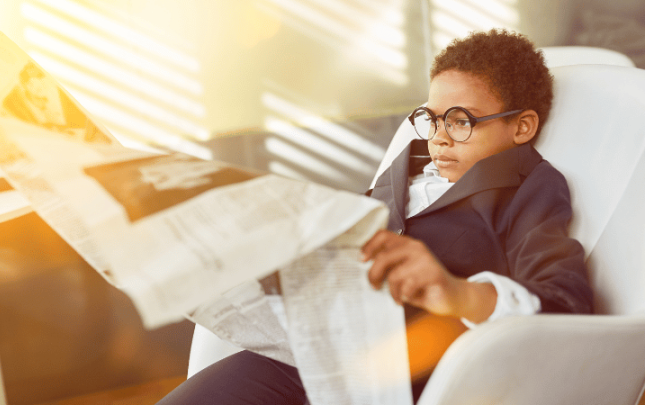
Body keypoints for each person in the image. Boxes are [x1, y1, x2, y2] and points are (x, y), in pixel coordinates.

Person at [157, 29, 594, 404]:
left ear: (521, 128)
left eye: (461, 122)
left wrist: (459, 294)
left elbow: (564, 304)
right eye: (433, 119)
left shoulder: (531, 188)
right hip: (313, 347)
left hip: (399, 373)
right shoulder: (408, 166)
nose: (440, 139)